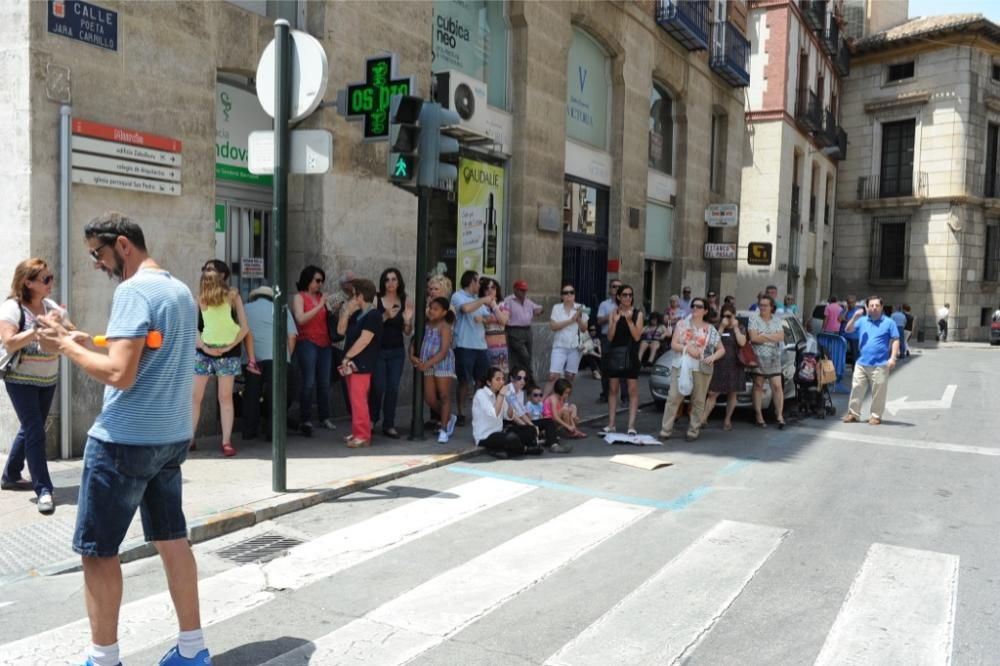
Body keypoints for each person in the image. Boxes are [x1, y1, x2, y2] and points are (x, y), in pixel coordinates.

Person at [36, 212, 209, 666]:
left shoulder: (132, 290)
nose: (97, 263)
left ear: (124, 246)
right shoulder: (180, 291)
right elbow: (141, 355)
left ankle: (103, 658)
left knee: (97, 554)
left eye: (98, 253)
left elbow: (120, 373)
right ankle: (192, 651)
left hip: (123, 440)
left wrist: (66, 348)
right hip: (170, 437)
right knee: (173, 542)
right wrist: (80, 338)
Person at [0, 258, 71, 514]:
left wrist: (61, 323)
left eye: (50, 277)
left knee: (33, 427)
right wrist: (37, 328)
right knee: (34, 430)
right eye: (46, 279)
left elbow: (70, 330)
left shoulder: (50, 305)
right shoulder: (12, 308)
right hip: (20, 379)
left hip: (47, 377)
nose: (51, 282)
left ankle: (10, 475)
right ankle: (44, 489)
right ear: (27, 282)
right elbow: (9, 343)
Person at [191, 262, 255, 457]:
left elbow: (244, 327)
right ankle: (192, 438)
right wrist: (205, 347)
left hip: (218, 351)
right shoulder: (200, 300)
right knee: (200, 397)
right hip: (209, 351)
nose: (206, 273)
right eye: (205, 269)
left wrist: (221, 347)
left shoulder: (232, 296)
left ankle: (224, 441)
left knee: (216, 397)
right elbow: (193, 328)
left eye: (210, 270)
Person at [659, 297, 723, 442]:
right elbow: (674, 344)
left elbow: (721, 350)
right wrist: (688, 349)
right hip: (680, 366)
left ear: (705, 310)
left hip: (702, 368)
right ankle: (665, 430)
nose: (695, 308)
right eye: (693, 306)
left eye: (699, 306)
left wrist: (713, 357)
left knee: (698, 400)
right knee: (673, 397)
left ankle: (693, 430)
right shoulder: (682, 324)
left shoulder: (710, 329)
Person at [241, 285, 297, 442]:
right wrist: (286, 357)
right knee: (276, 396)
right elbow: (292, 336)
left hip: (253, 358)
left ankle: (249, 430)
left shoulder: (246, 308)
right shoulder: (281, 308)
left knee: (251, 394)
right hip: (278, 357)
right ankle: (273, 432)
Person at [336, 278, 383, 448]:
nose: (352, 298)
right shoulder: (357, 314)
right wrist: (346, 312)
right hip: (352, 363)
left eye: (354, 294)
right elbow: (340, 331)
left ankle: (363, 435)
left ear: (361, 295)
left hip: (362, 364)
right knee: (354, 399)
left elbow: (365, 340)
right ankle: (357, 432)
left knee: (359, 400)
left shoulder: (373, 315)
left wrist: (347, 356)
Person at [370, 268, 413, 439]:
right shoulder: (376, 299)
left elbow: (407, 332)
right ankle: (372, 420)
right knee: (378, 387)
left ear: (399, 281)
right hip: (379, 350)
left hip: (397, 351)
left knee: (393, 388)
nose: (390, 283)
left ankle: (389, 424)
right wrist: (385, 316)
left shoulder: (405, 299)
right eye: (387, 280)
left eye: (394, 279)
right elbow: (371, 324)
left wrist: (408, 320)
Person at [843, 296, 900, 425]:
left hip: (880, 364)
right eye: (871, 306)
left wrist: (893, 357)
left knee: (879, 391)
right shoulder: (862, 321)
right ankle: (853, 414)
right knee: (857, 388)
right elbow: (848, 329)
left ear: (881, 307)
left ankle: (875, 416)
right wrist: (854, 317)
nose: (874, 308)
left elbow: (896, 339)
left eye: (877, 305)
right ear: (867, 308)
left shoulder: (889, 322)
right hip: (862, 362)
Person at [291, 265, 334, 436]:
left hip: (325, 342)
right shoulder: (299, 297)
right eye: (317, 280)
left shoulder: (321, 297)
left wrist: (329, 307)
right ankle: (305, 418)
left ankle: (325, 417)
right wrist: (319, 306)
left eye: (322, 281)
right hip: (307, 341)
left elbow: (328, 316)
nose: (320, 284)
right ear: (308, 279)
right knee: (308, 381)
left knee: (324, 382)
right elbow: (300, 319)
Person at [410, 296, 457, 443]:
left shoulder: (445, 327)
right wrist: (411, 355)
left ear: (444, 312)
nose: (431, 311)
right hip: (427, 362)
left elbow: (443, 351)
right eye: (431, 308)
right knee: (429, 398)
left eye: (436, 309)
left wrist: (428, 363)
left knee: (444, 395)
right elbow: (414, 341)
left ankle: (443, 428)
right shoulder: (425, 324)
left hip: (441, 363)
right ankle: (449, 416)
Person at [600, 284, 644, 436]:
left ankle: (631, 425)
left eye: (630, 295)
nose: (627, 298)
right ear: (618, 297)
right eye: (624, 295)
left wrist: (630, 321)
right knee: (613, 389)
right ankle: (611, 424)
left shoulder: (638, 314)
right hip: (615, 353)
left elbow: (637, 336)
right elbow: (610, 337)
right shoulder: (614, 312)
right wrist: (616, 321)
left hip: (631, 354)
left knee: (632, 389)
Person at [451, 270, 493, 427]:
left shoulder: (477, 299)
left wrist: (485, 317)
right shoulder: (458, 296)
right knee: (464, 381)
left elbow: (488, 317)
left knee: (481, 380)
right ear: (471, 282)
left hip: (480, 346)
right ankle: (461, 412)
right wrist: (483, 300)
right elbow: (465, 309)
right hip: (464, 345)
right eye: (478, 282)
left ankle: (477, 410)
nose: (479, 285)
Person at [472, 367, 542, 459]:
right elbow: (494, 413)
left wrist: (509, 401)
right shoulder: (481, 394)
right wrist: (501, 395)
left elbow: (509, 416)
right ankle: (525, 449)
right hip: (485, 436)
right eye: (498, 379)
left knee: (530, 430)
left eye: (502, 379)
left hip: (500, 432)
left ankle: (506, 451)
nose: (501, 382)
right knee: (511, 438)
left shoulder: (500, 394)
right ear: (489, 382)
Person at [704, 304, 747, 431]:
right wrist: (722, 327)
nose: (727, 318)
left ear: (734, 315)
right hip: (719, 363)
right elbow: (711, 344)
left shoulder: (740, 327)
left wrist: (735, 328)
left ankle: (727, 420)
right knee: (712, 392)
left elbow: (742, 343)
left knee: (732, 393)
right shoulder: (717, 327)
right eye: (725, 315)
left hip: (734, 363)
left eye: (730, 315)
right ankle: (703, 418)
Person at [749, 294, 786, 429]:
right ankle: (759, 416)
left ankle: (779, 415)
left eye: (765, 305)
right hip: (758, 356)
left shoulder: (777, 320)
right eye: (761, 305)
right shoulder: (753, 319)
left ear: (771, 307)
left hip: (773, 356)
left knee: (777, 386)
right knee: (758, 385)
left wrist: (762, 336)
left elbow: (781, 336)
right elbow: (753, 338)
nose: (762, 307)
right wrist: (771, 337)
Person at [547, 282, 588, 394]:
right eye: (565, 293)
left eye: (571, 292)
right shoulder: (557, 308)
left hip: (575, 347)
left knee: (569, 376)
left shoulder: (581, 307)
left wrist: (578, 318)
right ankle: (543, 403)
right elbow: (553, 326)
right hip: (559, 345)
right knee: (553, 376)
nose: (569, 295)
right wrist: (570, 321)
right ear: (562, 296)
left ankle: (562, 401)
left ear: (574, 295)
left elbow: (584, 329)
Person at [503, 279, 543, 376]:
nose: (523, 292)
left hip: (527, 330)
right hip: (514, 330)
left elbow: (539, 308)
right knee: (524, 355)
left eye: (525, 290)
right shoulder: (508, 301)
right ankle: (529, 375)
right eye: (521, 290)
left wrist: (539, 310)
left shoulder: (528, 301)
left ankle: (523, 377)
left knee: (528, 354)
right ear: (515, 289)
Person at [596, 279, 623, 403]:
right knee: (606, 367)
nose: (616, 288)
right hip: (606, 337)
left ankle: (625, 397)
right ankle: (605, 394)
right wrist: (611, 315)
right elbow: (599, 321)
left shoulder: (626, 304)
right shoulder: (604, 305)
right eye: (614, 286)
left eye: (619, 286)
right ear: (610, 289)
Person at [480, 277, 511, 374]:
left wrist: (494, 306)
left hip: (499, 347)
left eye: (493, 288)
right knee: (483, 375)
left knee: (498, 375)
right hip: (482, 345)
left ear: (497, 290)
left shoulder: (503, 305)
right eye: (486, 288)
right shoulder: (479, 305)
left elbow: (503, 321)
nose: (490, 290)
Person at [544, 378, 584, 446]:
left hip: (557, 417)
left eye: (568, 393)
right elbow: (555, 417)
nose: (567, 395)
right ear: (560, 391)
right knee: (565, 410)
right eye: (566, 393)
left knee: (573, 406)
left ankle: (573, 429)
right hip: (549, 420)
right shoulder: (553, 398)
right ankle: (570, 431)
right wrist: (568, 426)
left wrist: (572, 416)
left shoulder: (562, 398)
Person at [839, 295, 865, 363]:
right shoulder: (844, 310)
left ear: (855, 302)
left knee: (855, 355)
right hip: (843, 335)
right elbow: (840, 319)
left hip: (854, 336)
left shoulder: (858, 311)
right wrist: (846, 311)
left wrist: (846, 320)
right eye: (849, 302)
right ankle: (840, 371)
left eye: (852, 302)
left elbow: (857, 322)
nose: (850, 304)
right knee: (841, 354)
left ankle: (855, 371)